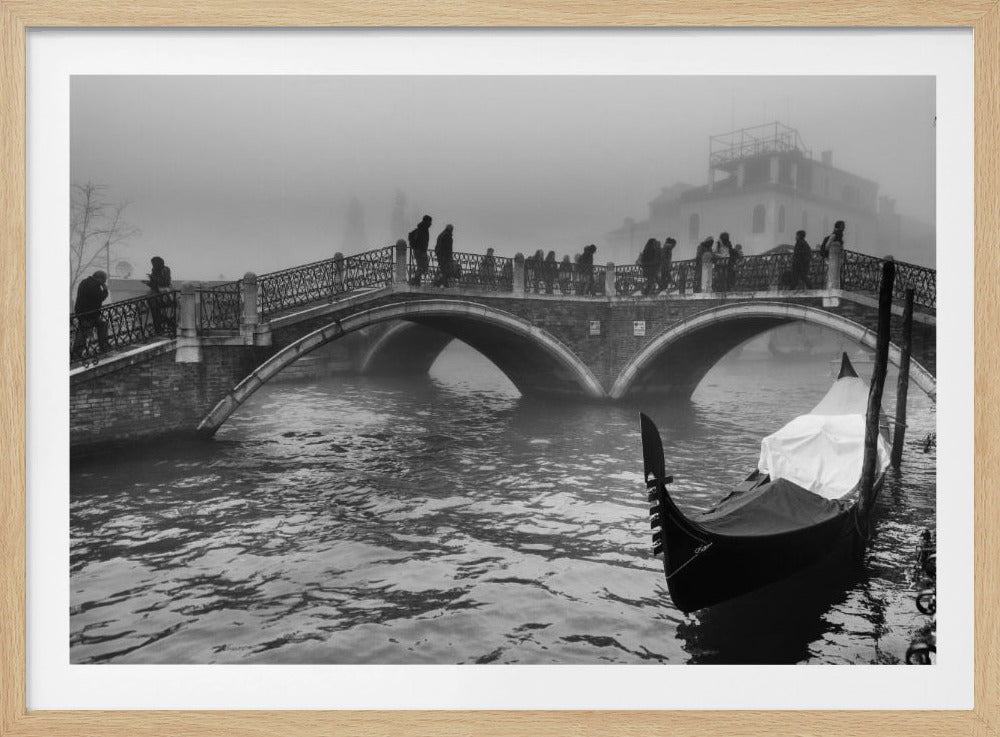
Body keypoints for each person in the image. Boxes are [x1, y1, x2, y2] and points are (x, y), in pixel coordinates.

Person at [71, 270, 110, 358]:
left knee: (97, 326)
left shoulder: (85, 282)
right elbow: (100, 298)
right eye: (103, 281)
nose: (104, 283)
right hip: (89, 314)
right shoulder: (94, 285)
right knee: (84, 333)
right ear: (99, 278)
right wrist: (105, 290)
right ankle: (77, 354)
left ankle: (77, 353)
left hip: (83, 312)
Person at [143, 256, 173, 334]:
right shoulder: (154, 270)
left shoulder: (165, 269)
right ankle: (158, 328)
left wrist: (153, 278)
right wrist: (149, 282)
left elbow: (165, 282)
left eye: (153, 263)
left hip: (164, 295)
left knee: (157, 310)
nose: (152, 265)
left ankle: (165, 324)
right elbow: (155, 284)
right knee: (154, 311)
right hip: (155, 296)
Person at [407, 215, 432, 286]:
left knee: (422, 266)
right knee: (423, 266)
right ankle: (415, 280)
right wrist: (420, 248)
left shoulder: (423, 228)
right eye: (430, 222)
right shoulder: (423, 229)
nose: (431, 224)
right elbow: (422, 241)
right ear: (426, 221)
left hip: (419, 250)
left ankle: (416, 280)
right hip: (420, 251)